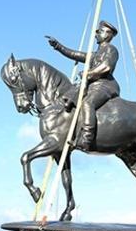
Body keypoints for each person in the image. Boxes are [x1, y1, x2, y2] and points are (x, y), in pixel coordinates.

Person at [46, 20, 120, 151]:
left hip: (105, 85)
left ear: (107, 34)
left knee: (87, 103)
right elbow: (75, 54)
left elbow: (106, 67)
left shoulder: (111, 50)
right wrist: (58, 46)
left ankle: (86, 138)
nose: (96, 34)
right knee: (70, 95)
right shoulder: (95, 54)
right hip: (93, 85)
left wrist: (88, 73)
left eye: (99, 31)